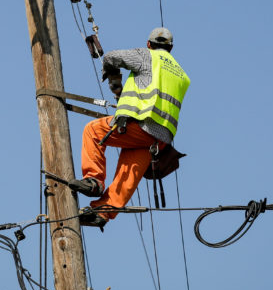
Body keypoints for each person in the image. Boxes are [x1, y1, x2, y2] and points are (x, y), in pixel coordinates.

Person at [69, 27, 190, 227]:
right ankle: (103, 213)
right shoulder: (181, 75)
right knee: (129, 171)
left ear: (149, 44)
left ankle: (93, 181)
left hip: (141, 125)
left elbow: (111, 57)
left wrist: (115, 83)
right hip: (160, 139)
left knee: (93, 130)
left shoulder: (147, 55)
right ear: (171, 47)